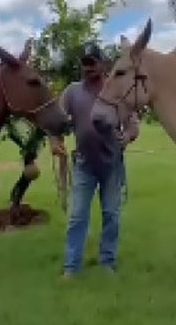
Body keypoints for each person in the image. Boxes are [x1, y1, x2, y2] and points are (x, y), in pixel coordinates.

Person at [49, 42, 139, 278]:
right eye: (84, 63)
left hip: (112, 165)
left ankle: (107, 262)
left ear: (102, 64)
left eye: (92, 63)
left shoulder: (115, 89)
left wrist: (127, 136)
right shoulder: (72, 92)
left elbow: (133, 124)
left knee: (111, 215)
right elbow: (56, 121)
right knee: (78, 216)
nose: (88, 68)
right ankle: (71, 267)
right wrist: (55, 140)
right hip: (84, 165)